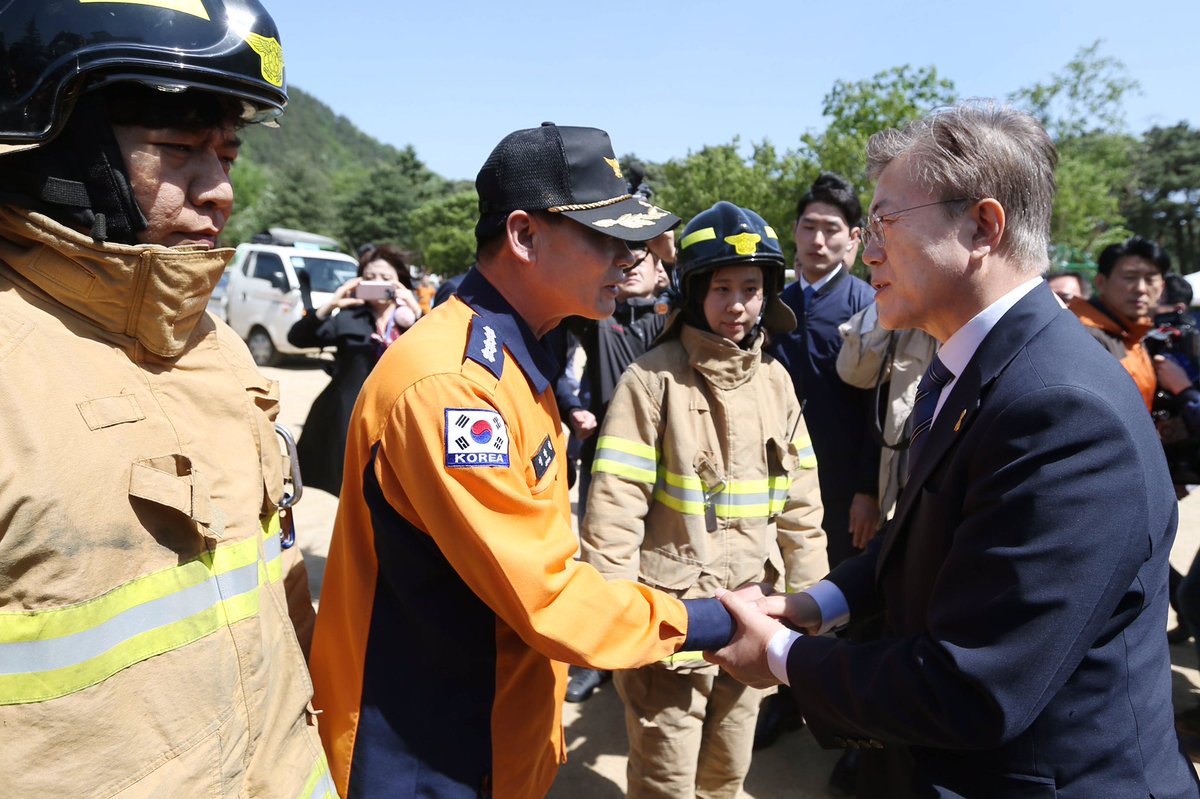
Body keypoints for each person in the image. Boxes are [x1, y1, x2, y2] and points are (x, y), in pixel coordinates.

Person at [706, 101, 1200, 798]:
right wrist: (815, 603)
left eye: (885, 223)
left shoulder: (1063, 409)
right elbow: (923, 537)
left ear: (982, 227)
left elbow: (974, 684)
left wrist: (782, 655)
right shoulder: (986, 366)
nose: (867, 248)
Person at [308, 123, 736, 799]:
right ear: (523, 236)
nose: (628, 260)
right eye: (606, 238)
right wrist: (715, 619)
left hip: (495, 733)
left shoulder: (516, 360)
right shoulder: (452, 387)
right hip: (429, 753)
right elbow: (547, 594)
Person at [0, 2, 334, 796]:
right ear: (56, 142)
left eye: (228, 151)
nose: (218, 190)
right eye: (180, 148)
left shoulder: (213, 347)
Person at [579, 201, 828, 799]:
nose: (738, 304)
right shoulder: (651, 380)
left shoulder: (776, 381)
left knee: (726, 773)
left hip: (754, 615)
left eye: (751, 287)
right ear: (692, 291)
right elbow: (614, 507)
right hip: (670, 622)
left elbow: (802, 508)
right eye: (721, 288)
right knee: (664, 777)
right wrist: (615, 620)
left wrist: (811, 605)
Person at [558, 233, 672, 703]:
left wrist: (671, 257)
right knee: (601, 556)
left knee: (660, 556)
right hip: (605, 458)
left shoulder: (673, 317)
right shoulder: (592, 318)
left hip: (668, 464)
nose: (629, 265)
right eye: (620, 256)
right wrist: (572, 408)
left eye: (640, 256)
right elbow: (566, 373)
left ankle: (652, 646)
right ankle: (598, 659)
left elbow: (716, 293)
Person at [288, 244, 420, 495]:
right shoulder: (348, 317)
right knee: (351, 489)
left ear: (400, 282)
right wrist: (332, 304)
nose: (377, 283)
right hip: (349, 415)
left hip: (399, 416)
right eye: (369, 278)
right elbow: (298, 338)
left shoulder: (411, 320)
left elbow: (434, 352)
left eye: (385, 278)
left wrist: (416, 310)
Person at [836, 304, 938, 523]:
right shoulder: (907, 323)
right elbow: (853, 371)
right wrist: (888, 302)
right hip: (901, 492)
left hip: (948, 500)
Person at [1068, 236, 1170, 410]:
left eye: (1150, 279)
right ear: (1101, 282)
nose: (1141, 288)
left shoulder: (1134, 335)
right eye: (1130, 277)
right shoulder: (1082, 336)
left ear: (1161, 287)